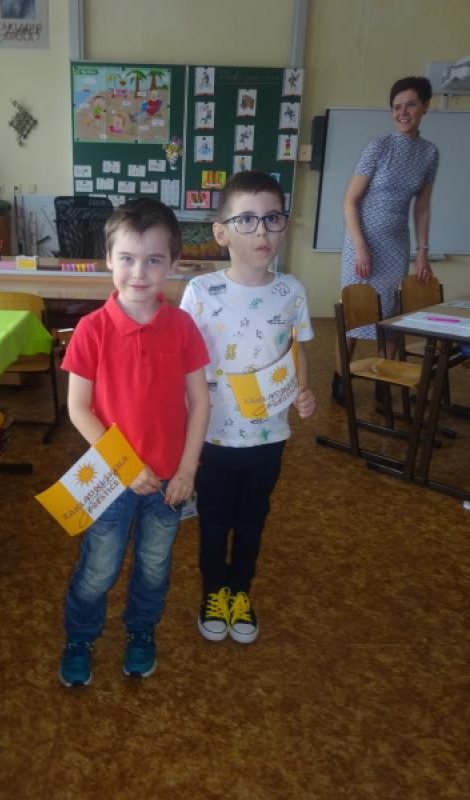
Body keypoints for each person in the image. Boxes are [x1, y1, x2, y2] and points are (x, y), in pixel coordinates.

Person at [59, 198, 210, 686]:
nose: (139, 272)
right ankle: (80, 637)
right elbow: (78, 409)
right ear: (108, 258)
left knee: (154, 565)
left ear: (173, 262)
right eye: (127, 258)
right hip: (111, 479)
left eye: (153, 259)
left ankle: (141, 631)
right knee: (99, 568)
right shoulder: (91, 329)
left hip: (168, 482)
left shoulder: (183, 326)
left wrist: (187, 470)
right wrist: (124, 464)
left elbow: (200, 403)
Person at [180, 171, 316, 644]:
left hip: (268, 437)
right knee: (215, 522)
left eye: (272, 218)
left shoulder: (292, 291)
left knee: (252, 521)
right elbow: (183, 364)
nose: (261, 231)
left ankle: (240, 591)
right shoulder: (200, 292)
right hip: (212, 436)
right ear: (221, 233)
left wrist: (304, 388)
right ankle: (213, 592)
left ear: (284, 225)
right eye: (247, 220)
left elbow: (297, 349)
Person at [333, 76, 439, 405]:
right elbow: (349, 201)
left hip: (396, 245)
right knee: (355, 311)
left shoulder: (429, 153)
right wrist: (361, 247)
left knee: (391, 314)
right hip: (361, 241)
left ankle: (384, 378)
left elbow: (422, 206)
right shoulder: (378, 147)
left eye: (410, 105)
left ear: (425, 107)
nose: (403, 112)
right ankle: (341, 378)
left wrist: (423, 251)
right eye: (396, 107)